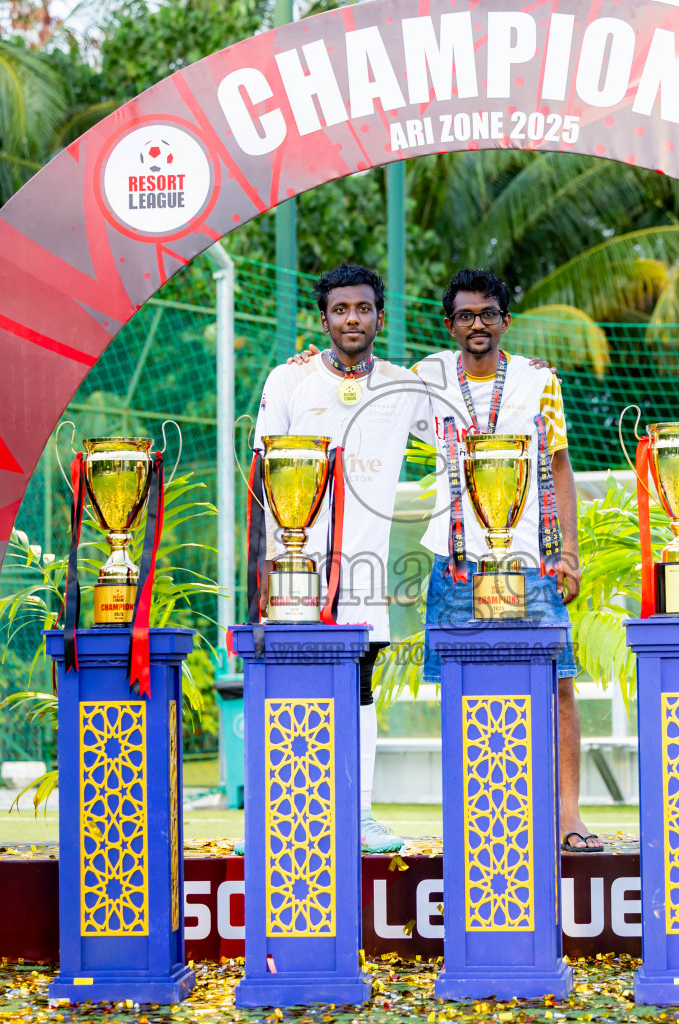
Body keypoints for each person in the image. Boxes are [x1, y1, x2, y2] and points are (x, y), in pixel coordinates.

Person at [249, 263, 434, 855]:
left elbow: (462, 432)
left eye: (362, 308)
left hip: (363, 575)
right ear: (323, 317)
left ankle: (359, 815)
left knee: (358, 691)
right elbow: (261, 478)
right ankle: (293, 813)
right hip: (293, 575)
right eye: (339, 309)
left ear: (380, 315)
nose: (351, 318)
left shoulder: (404, 387)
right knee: (292, 691)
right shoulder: (288, 380)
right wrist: (263, 573)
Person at [414, 268, 598, 852]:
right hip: (458, 560)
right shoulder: (427, 377)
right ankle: (473, 816)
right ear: (450, 325)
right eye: (466, 315)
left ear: (505, 321)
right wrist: (311, 361)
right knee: (458, 689)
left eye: (488, 314)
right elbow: (359, 378)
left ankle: (567, 814)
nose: (478, 325)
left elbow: (561, 464)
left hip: (530, 559)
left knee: (558, 684)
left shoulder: (538, 380)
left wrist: (568, 549)